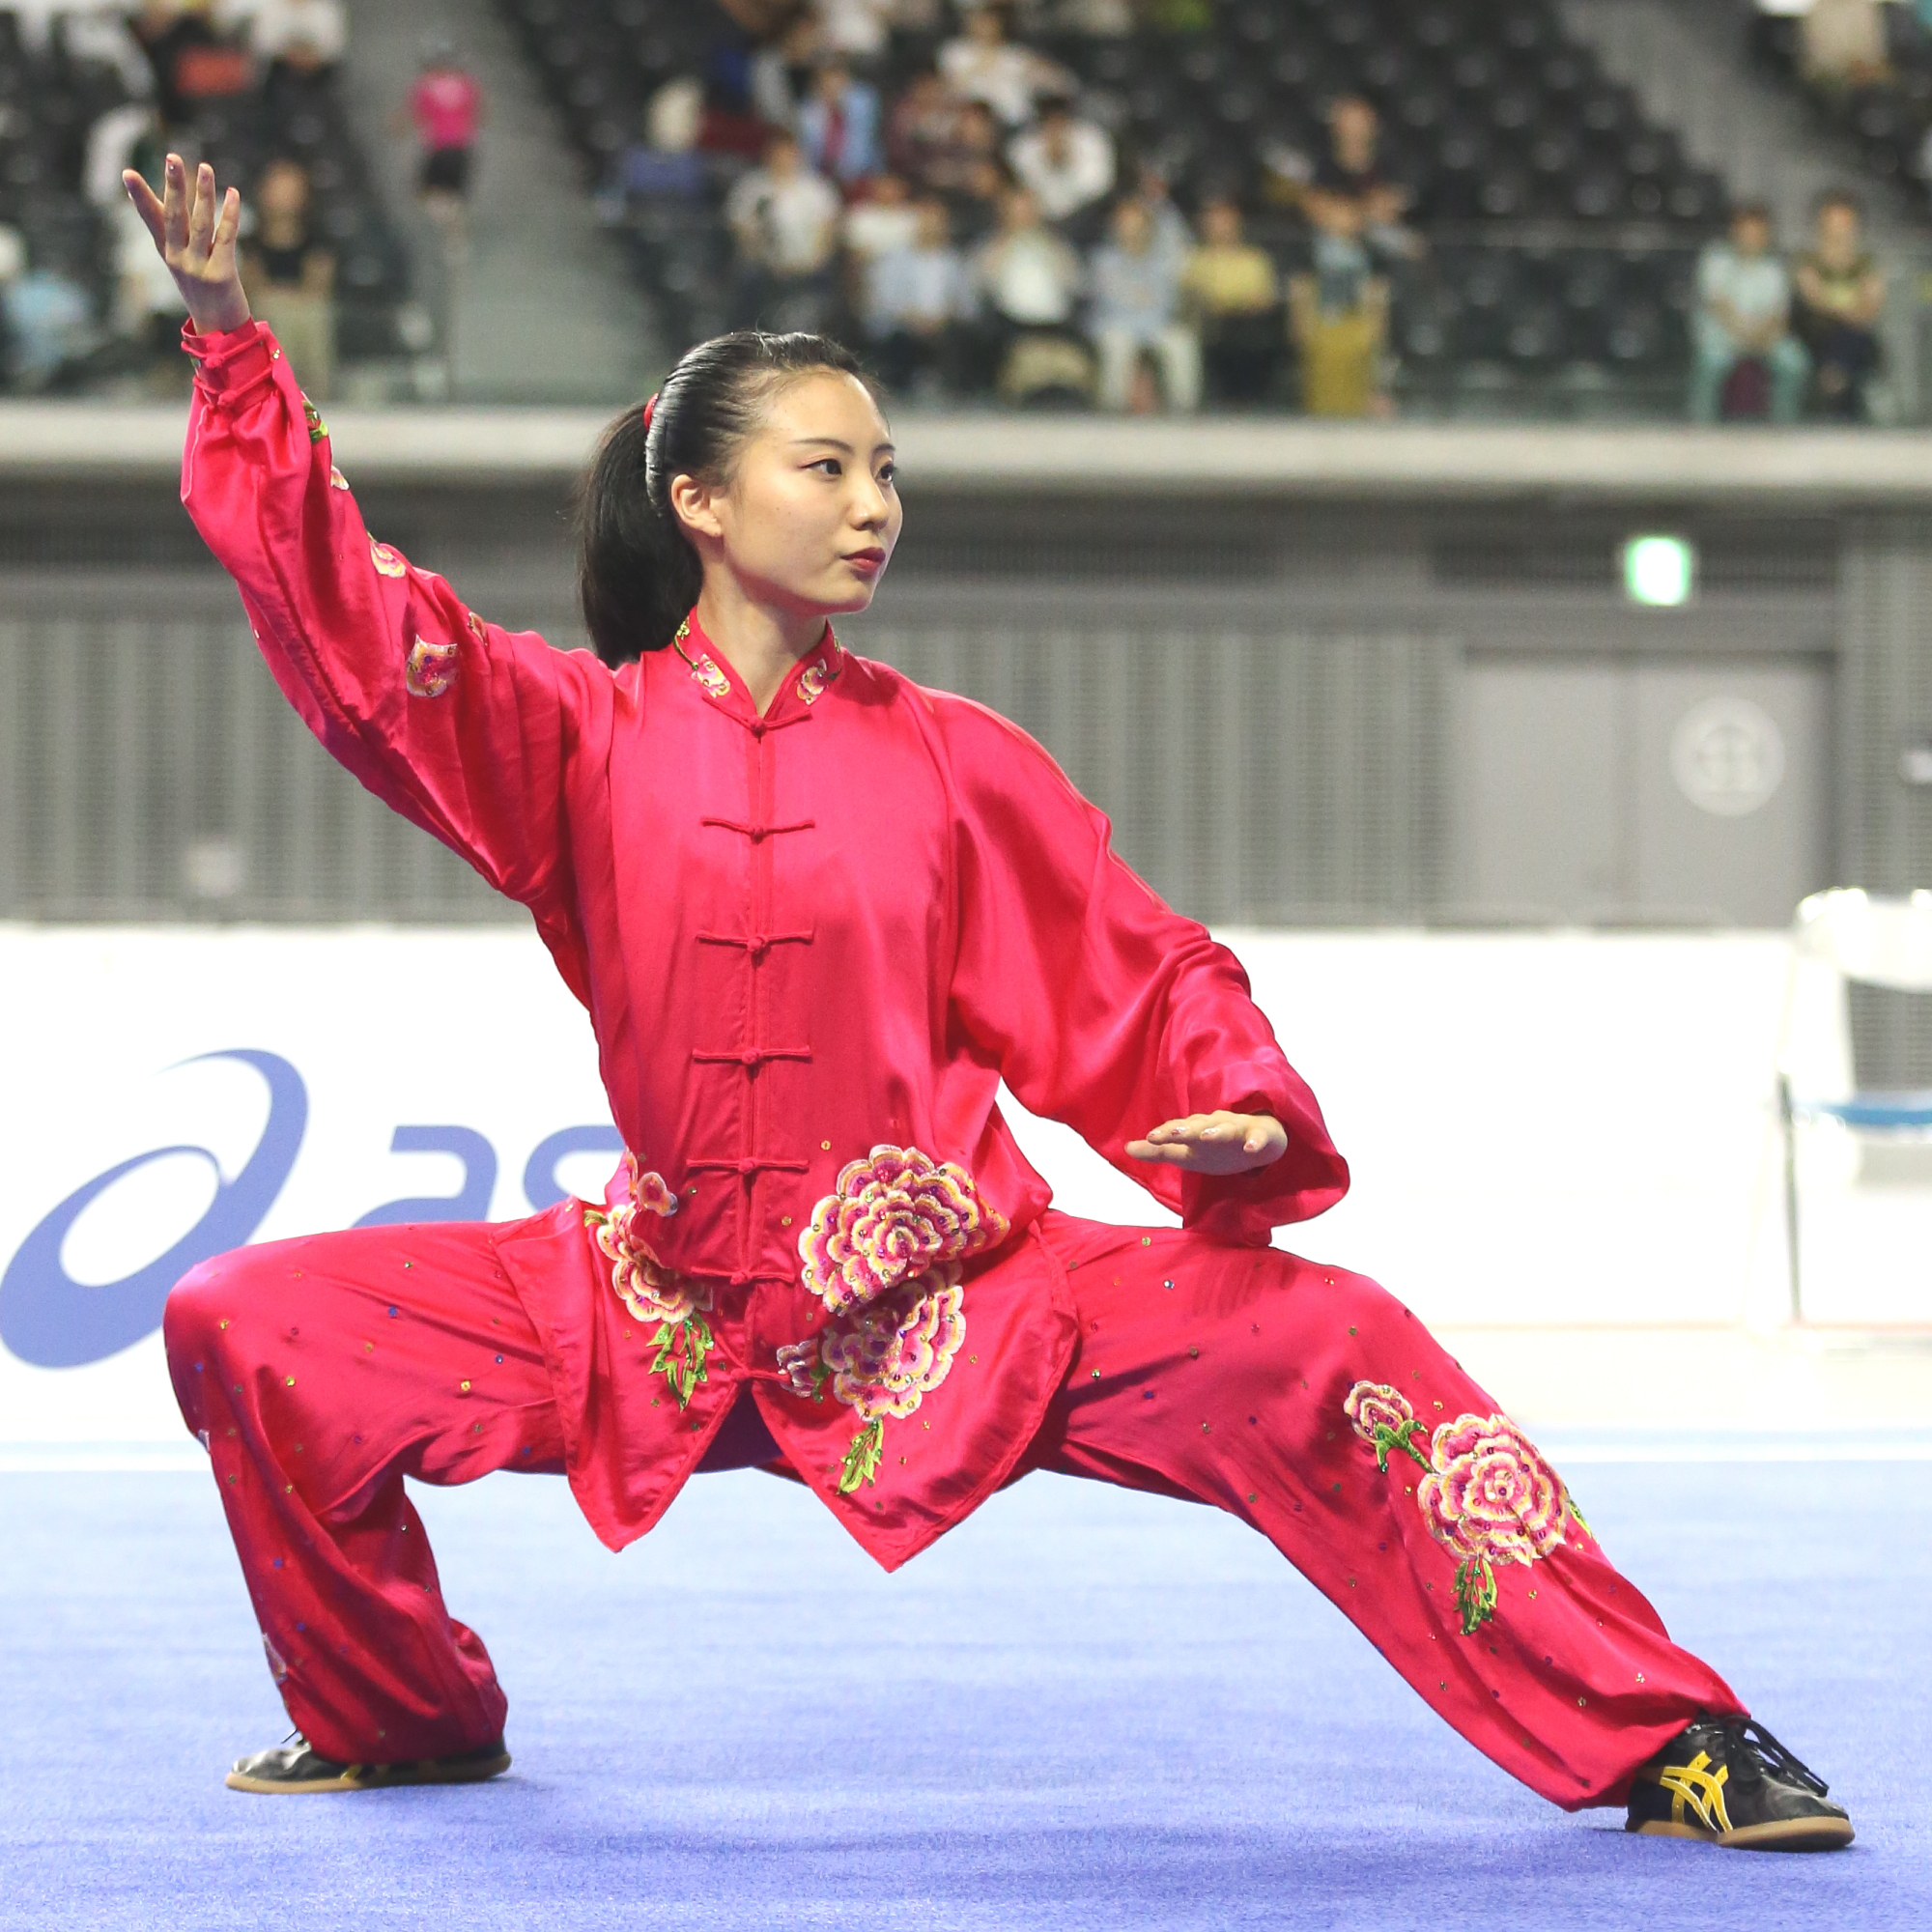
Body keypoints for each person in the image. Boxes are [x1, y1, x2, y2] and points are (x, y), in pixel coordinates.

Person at [124, 154, 1856, 1860]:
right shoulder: (564, 737)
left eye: (887, 468)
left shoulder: (956, 763)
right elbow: (352, 629)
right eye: (827, 467)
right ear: (702, 507)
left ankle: (1672, 1732)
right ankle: (398, 1715)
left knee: (1338, 1342)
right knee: (245, 1320)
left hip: (967, 1307)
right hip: (651, 1309)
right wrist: (235, 353)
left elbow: (1142, 962)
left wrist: (1238, 1096)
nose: (876, 501)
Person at [1690, 202, 1808, 423]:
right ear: (1735, 231)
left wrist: (1760, 336)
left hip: (1763, 337)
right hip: (1724, 334)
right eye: (1746, 232)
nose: (1751, 239)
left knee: (1794, 362)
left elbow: (1778, 315)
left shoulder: (1774, 268)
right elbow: (1719, 306)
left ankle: (1784, 428)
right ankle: (1701, 426)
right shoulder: (1715, 258)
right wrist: (1744, 334)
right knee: (1710, 361)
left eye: (1758, 233)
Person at [974, 182, 1091, 402]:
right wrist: (1003, 245)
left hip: (1055, 321)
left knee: (1071, 360)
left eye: (1028, 210)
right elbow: (981, 285)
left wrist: (1055, 252)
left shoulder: (1056, 246)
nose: (1024, 216)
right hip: (1011, 322)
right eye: (1017, 211)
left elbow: (1077, 283)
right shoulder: (991, 246)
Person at [1089, 195, 1200, 413]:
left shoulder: (1162, 264)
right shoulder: (1104, 261)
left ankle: (1184, 407)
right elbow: (1110, 304)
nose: (1131, 230)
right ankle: (1111, 407)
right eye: (1125, 224)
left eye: (1137, 224)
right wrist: (1140, 303)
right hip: (1115, 325)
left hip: (1155, 324)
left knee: (1181, 342)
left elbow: (1166, 304)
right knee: (1118, 342)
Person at [724, 130, 842, 332]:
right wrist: (766, 260)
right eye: (778, 153)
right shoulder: (751, 187)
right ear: (768, 155)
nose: (783, 158)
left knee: (826, 288)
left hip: (808, 267)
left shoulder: (817, 188)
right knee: (748, 281)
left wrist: (809, 262)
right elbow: (740, 230)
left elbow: (828, 231)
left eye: (788, 153)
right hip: (763, 266)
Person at [1287, 191, 1389, 417]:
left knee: (1356, 377)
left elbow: (1377, 291)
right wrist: (1298, 322)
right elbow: (1301, 288)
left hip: (1355, 322)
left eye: (1347, 213)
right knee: (1321, 377)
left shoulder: (1368, 251)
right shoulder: (1311, 249)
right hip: (1322, 322)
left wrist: (1378, 323)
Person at [242, 156, 334, 401]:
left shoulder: (318, 242)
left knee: (313, 314)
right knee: (274, 314)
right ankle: (278, 393)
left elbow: (317, 288)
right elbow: (253, 289)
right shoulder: (249, 244)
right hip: (266, 319)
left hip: (304, 316)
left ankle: (315, 394)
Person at [864, 195, 974, 394]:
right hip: (904, 323)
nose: (931, 227)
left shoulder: (955, 262)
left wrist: (944, 316)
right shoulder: (894, 260)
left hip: (944, 324)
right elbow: (882, 301)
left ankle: (952, 393)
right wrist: (912, 317)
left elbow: (967, 303)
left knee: (960, 338)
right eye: (926, 221)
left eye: (937, 222)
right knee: (896, 339)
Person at [1793, 190, 1885, 420]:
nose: (1839, 229)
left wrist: (1842, 310)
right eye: (1833, 221)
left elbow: (1872, 307)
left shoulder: (1866, 263)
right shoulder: (1808, 259)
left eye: (1845, 222)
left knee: (1852, 340)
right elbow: (1814, 300)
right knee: (1846, 337)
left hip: (1854, 336)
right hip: (1816, 334)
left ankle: (1834, 388)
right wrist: (1850, 310)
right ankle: (1843, 408)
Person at [1181, 196, 1281, 404]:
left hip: (1250, 324)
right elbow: (1195, 295)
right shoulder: (1196, 259)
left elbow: (1264, 298)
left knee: (1252, 334)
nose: (1220, 227)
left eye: (1226, 221)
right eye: (1214, 222)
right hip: (1214, 325)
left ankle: (1253, 401)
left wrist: (1233, 303)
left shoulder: (1255, 259)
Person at [938, 3, 1067, 128]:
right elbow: (948, 89)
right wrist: (980, 65)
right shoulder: (955, 52)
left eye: (991, 22)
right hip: (973, 123)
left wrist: (1042, 66)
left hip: (1014, 122)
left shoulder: (1015, 54)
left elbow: (1059, 82)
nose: (985, 27)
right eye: (981, 21)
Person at [405, 40, 485, 234]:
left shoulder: (426, 86)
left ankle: (450, 224)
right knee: (453, 195)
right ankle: (454, 228)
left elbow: (414, 117)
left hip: (439, 149)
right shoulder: (467, 85)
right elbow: (480, 115)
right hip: (462, 149)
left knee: (424, 194)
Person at [1007, 96, 1115, 228]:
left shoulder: (1092, 139)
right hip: (1043, 220)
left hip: (1088, 214)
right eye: (1048, 122)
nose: (1054, 128)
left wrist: (1068, 162)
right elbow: (1024, 193)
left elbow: (1100, 187)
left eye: (1059, 122)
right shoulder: (1023, 149)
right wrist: (1047, 162)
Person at [796, 59, 883, 186]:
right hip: (820, 175)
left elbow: (864, 141)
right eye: (826, 81)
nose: (832, 87)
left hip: (862, 172)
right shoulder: (806, 111)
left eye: (837, 81)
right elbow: (808, 149)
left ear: (846, 80)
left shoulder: (864, 101)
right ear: (816, 84)